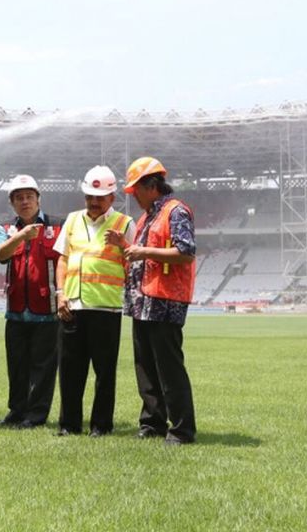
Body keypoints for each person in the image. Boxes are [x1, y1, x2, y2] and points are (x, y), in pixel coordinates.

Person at [120, 156, 197, 445]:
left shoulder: (175, 212)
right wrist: (125, 247)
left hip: (165, 301)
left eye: (135, 190)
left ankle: (181, 430)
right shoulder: (147, 216)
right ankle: (152, 423)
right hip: (142, 303)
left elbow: (186, 252)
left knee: (169, 370)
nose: (134, 197)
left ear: (151, 186)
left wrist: (142, 251)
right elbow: (141, 252)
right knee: (146, 370)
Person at [53, 166, 135, 437]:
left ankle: (101, 426)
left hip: (106, 309)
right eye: (90, 195)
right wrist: (61, 293)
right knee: (70, 372)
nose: (94, 201)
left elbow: (135, 263)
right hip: (72, 306)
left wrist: (124, 244)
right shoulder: (73, 219)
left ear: (112, 197)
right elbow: (63, 259)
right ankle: (69, 425)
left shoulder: (125, 224)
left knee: (104, 373)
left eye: (100, 196)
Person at [0, 174, 62, 429]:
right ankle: (16, 410)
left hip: (48, 311)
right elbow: (1, 254)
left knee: (43, 368)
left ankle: (36, 415)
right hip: (16, 312)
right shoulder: (5, 229)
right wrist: (22, 235)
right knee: (17, 366)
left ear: (38, 199)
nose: (25, 202)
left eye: (29, 197)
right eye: (19, 198)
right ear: (12, 203)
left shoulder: (58, 226)